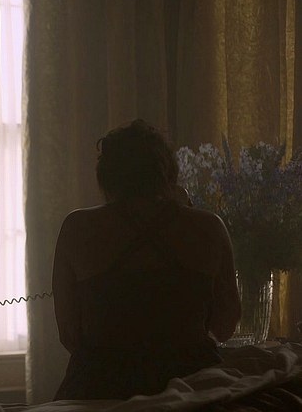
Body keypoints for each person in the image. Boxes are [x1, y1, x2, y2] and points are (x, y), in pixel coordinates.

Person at [52, 120, 241, 400]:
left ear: (106, 176)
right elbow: (225, 327)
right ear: (168, 174)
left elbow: (69, 335)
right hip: (191, 384)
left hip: (100, 384)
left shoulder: (77, 228)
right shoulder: (209, 227)